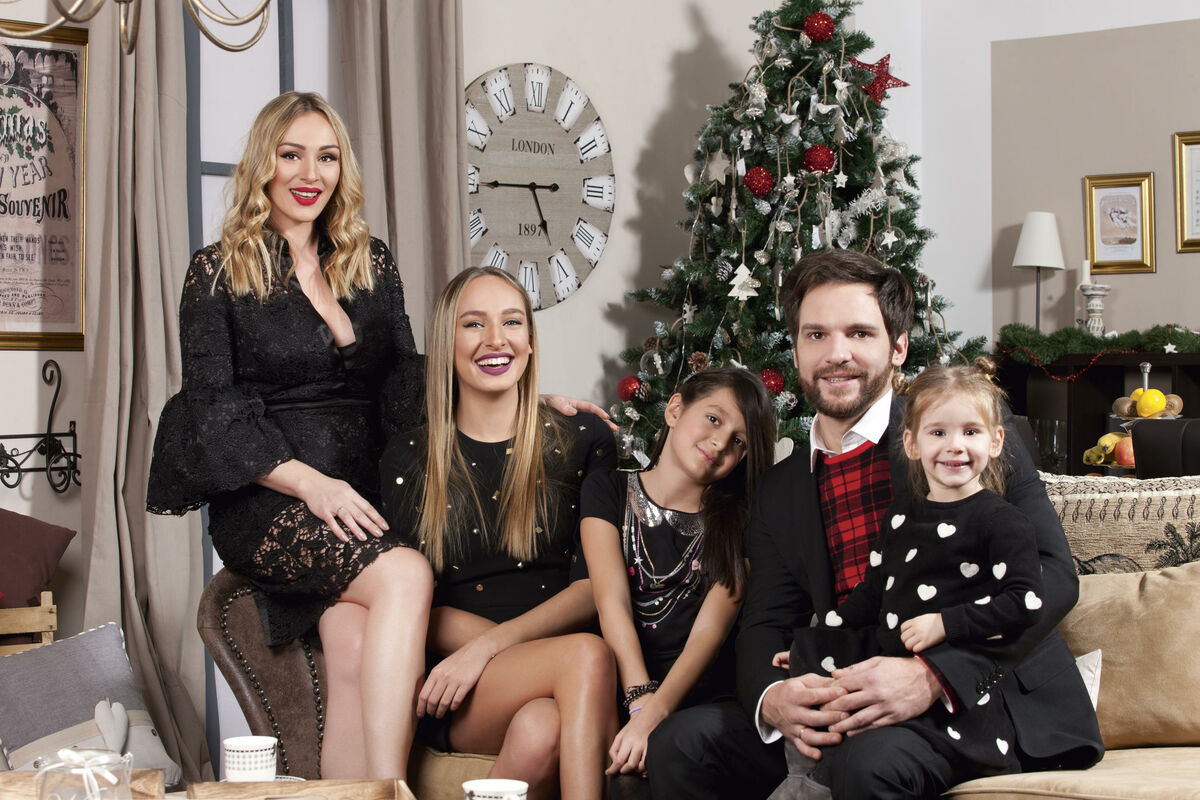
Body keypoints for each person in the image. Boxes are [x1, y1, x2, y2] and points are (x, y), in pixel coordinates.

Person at [646, 249, 1103, 800]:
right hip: (844, 689)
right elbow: (766, 622)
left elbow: (1053, 575)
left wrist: (933, 676)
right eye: (816, 335)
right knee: (682, 744)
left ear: (898, 347)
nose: (836, 354)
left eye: (859, 333)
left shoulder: (960, 432)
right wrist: (773, 699)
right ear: (796, 349)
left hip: (972, 701)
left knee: (867, 765)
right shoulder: (778, 488)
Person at [146, 92, 435, 785]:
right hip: (271, 497)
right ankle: (394, 793)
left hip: (363, 493)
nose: (311, 174)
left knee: (352, 649)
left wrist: (517, 401)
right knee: (406, 574)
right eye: (292, 154)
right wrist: (314, 485)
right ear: (263, 164)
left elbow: (408, 380)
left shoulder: (370, 261)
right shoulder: (217, 270)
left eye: (327, 157)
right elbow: (213, 411)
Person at [380, 266, 618, 800]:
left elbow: (593, 587)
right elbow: (411, 604)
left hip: (548, 666)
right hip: (465, 688)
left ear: (530, 341)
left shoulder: (583, 438)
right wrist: (482, 656)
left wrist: (490, 645)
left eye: (512, 322)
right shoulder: (409, 457)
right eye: (473, 324)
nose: (496, 339)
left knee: (542, 727)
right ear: (446, 344)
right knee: (586, 655)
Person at [769, 360, 1049, 800]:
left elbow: (1025, 603)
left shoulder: (1002, 522)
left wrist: (946, 623)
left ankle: (820, 781)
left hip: (958, 711)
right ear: (912, 443)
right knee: (830, 700)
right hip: (890, 684)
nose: (955, 446)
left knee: (869, 759)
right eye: (938, 432)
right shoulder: (900, 517)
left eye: (970, 432)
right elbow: (869, 597)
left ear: (996, 441)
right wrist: (813, 645)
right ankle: (807, 779)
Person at [580, 367, 776, 795]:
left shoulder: (741, 522)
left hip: (700, 697)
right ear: (674, 409)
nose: (720, 442)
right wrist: (639, 701)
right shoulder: (607, 490)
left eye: (739, 442)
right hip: (625, 685)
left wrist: (655, 713)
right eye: (713, 419)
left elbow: (710, 632)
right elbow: (611, 600)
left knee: (655, 761)